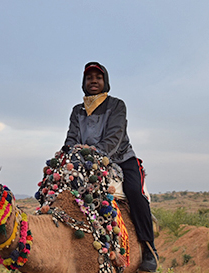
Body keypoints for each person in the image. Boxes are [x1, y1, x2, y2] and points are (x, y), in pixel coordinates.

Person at [64, 61, 159, 272]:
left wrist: (92, 155)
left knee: (135, 192)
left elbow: (113, 138)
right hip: (86, 161)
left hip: (121, 160)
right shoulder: (77, 110)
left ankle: (148, 249)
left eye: (98, 77)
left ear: (105, 81)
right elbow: (71, 138)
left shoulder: (117, 105)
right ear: (84, 82)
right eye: (89, 78)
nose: (94, 81)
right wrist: (68, 155)